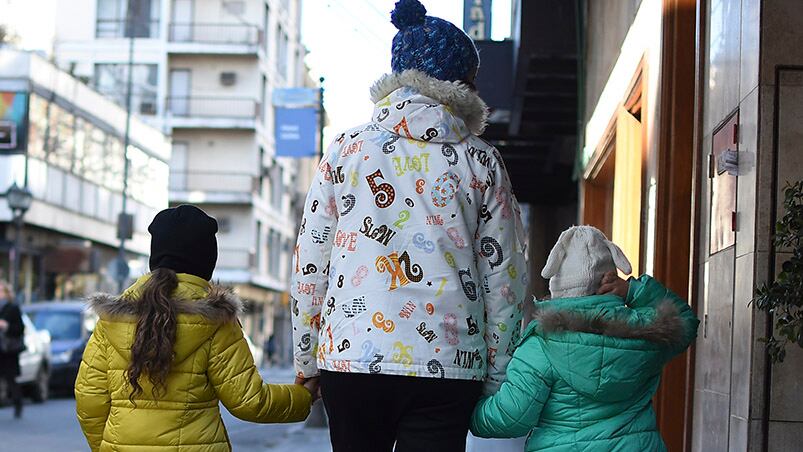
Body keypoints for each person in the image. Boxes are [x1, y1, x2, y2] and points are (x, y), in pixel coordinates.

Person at [290, 0, 527, 450]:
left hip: (352, 359)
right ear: (459, 84)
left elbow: (311, 262)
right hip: (450, 362)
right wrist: (497, 373)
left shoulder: (346, 149)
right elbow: (505, 276)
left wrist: (307, 359)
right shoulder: (482, 161)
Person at [75, 205, 315, 452]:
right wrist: (303, 396)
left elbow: (89, 400)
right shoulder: (216, 321)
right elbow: (249, 401)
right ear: (206, 260)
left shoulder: (112, 320)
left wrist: (105, 446)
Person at [470, 226, 700, 451]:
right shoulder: (647, 329)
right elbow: (686, 322)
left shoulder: (542, 344)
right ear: (610, 279)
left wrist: (467, 411)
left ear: (557, 281)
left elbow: (510, 416)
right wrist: (632, 290)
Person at [0, 281, 24, 419]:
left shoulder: (13, 308)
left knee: (11, 379)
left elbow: (20, 329)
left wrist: (6, 326)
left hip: (8, 350)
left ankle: (17, 404)